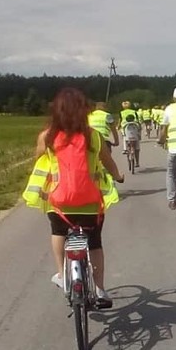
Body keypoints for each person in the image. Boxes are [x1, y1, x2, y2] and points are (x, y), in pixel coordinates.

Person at [22, 87, 125, 308]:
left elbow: (39, 160)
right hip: (89, 203)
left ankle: (62, 275)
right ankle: (99, 288)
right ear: (83, 111)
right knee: (95, 242)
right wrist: (118, 175)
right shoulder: (93, 136)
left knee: (58, 231)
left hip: (59, 202)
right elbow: (108, 162)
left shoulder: (47, 137)